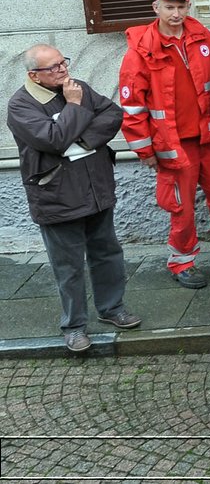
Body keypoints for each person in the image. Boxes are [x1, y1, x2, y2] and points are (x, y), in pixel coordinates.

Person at [8, 44, 141, 351]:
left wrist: (78, 140)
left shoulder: (75, 87)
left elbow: (111, 114)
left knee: (107, 252)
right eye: (53, 67)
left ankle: (112, 308)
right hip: (57, 196)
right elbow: (52, 139)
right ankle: (74, 325)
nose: (63, 69)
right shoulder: (21, 106)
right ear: (34, 75)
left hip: (96, 189)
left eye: (62, 62)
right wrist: (76, 107)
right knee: (68, 266)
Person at [117, 0, 210, 290]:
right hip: (173, 145)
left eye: (181, 6)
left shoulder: (203, 38)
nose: (176, 12)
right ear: (156, 9)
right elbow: (133, 107)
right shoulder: (140, 50)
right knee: (181, 208)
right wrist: (146, 152)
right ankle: (182, 262)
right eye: (169, 6)